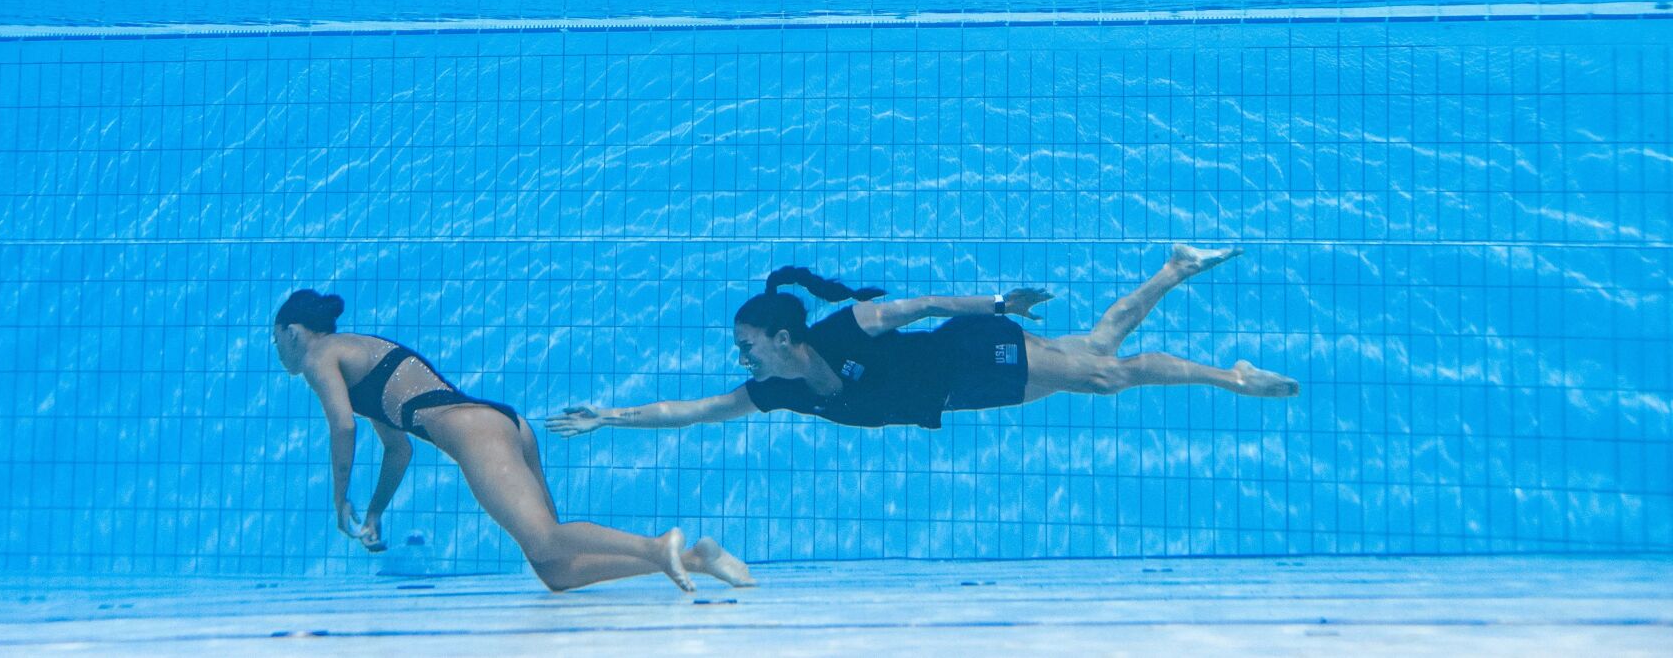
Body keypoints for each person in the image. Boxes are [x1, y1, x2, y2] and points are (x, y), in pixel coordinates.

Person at [271, 288, 752, 592]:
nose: (278, 352)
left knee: (544, 539)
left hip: (474, 430)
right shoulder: (359, 353)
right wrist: (375, 510)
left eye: (276, 341)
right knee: (555, 568)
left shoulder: (321, 355)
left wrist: (340, 501)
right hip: (501, 425)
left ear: (294, 332)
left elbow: (343, 426)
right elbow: (398, 448)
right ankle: (695, 558)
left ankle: (658, 544)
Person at [547, 245, 1298, 437]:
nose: (741, 358)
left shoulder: (847, 326)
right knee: (1097, 350)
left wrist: (1001, 302)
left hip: (969, 352)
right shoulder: (776, 389)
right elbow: (691, 410)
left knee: (1105, 374)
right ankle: (1174, 266)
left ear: (782, 335)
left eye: (748, 344)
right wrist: (610, 415)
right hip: (957, 394)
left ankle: (1227, 375)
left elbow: (928, 301)